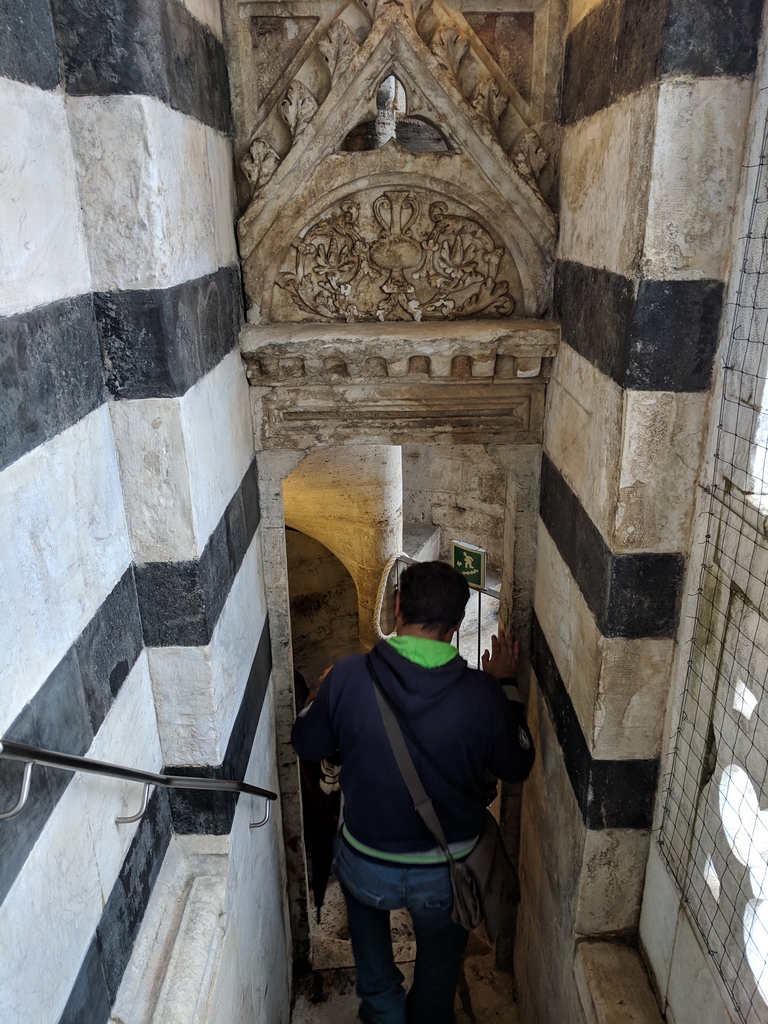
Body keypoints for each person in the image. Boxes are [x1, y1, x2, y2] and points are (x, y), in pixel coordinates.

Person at [291, 560, 535, 1024]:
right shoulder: (483, 694)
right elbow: (517, 764)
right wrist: (505, 685)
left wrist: (319, 695)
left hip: (366, 862)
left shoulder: (347, 676)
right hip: (447, 873)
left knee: (378, 984)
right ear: (458, 624)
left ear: (397, 606)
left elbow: (307, 741)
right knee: (438, 980)